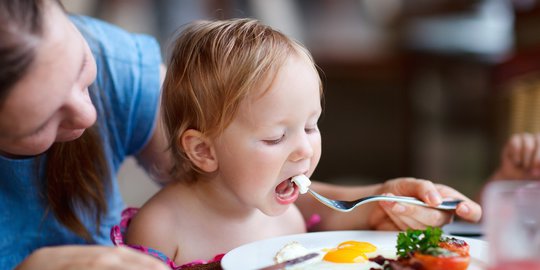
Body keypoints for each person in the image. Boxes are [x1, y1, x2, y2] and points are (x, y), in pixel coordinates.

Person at [117, 18, 482, 267]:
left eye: (311, 127)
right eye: (276, 136)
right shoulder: (161, 229)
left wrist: (395, 202)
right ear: (204, 151)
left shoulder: (289, 216)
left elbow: (345, 215)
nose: (305, 150)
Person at [0, 0, 171, 269]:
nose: (88, 115)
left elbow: (227, 185)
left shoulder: (113, 60)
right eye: (41, 123)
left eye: (81, 64)